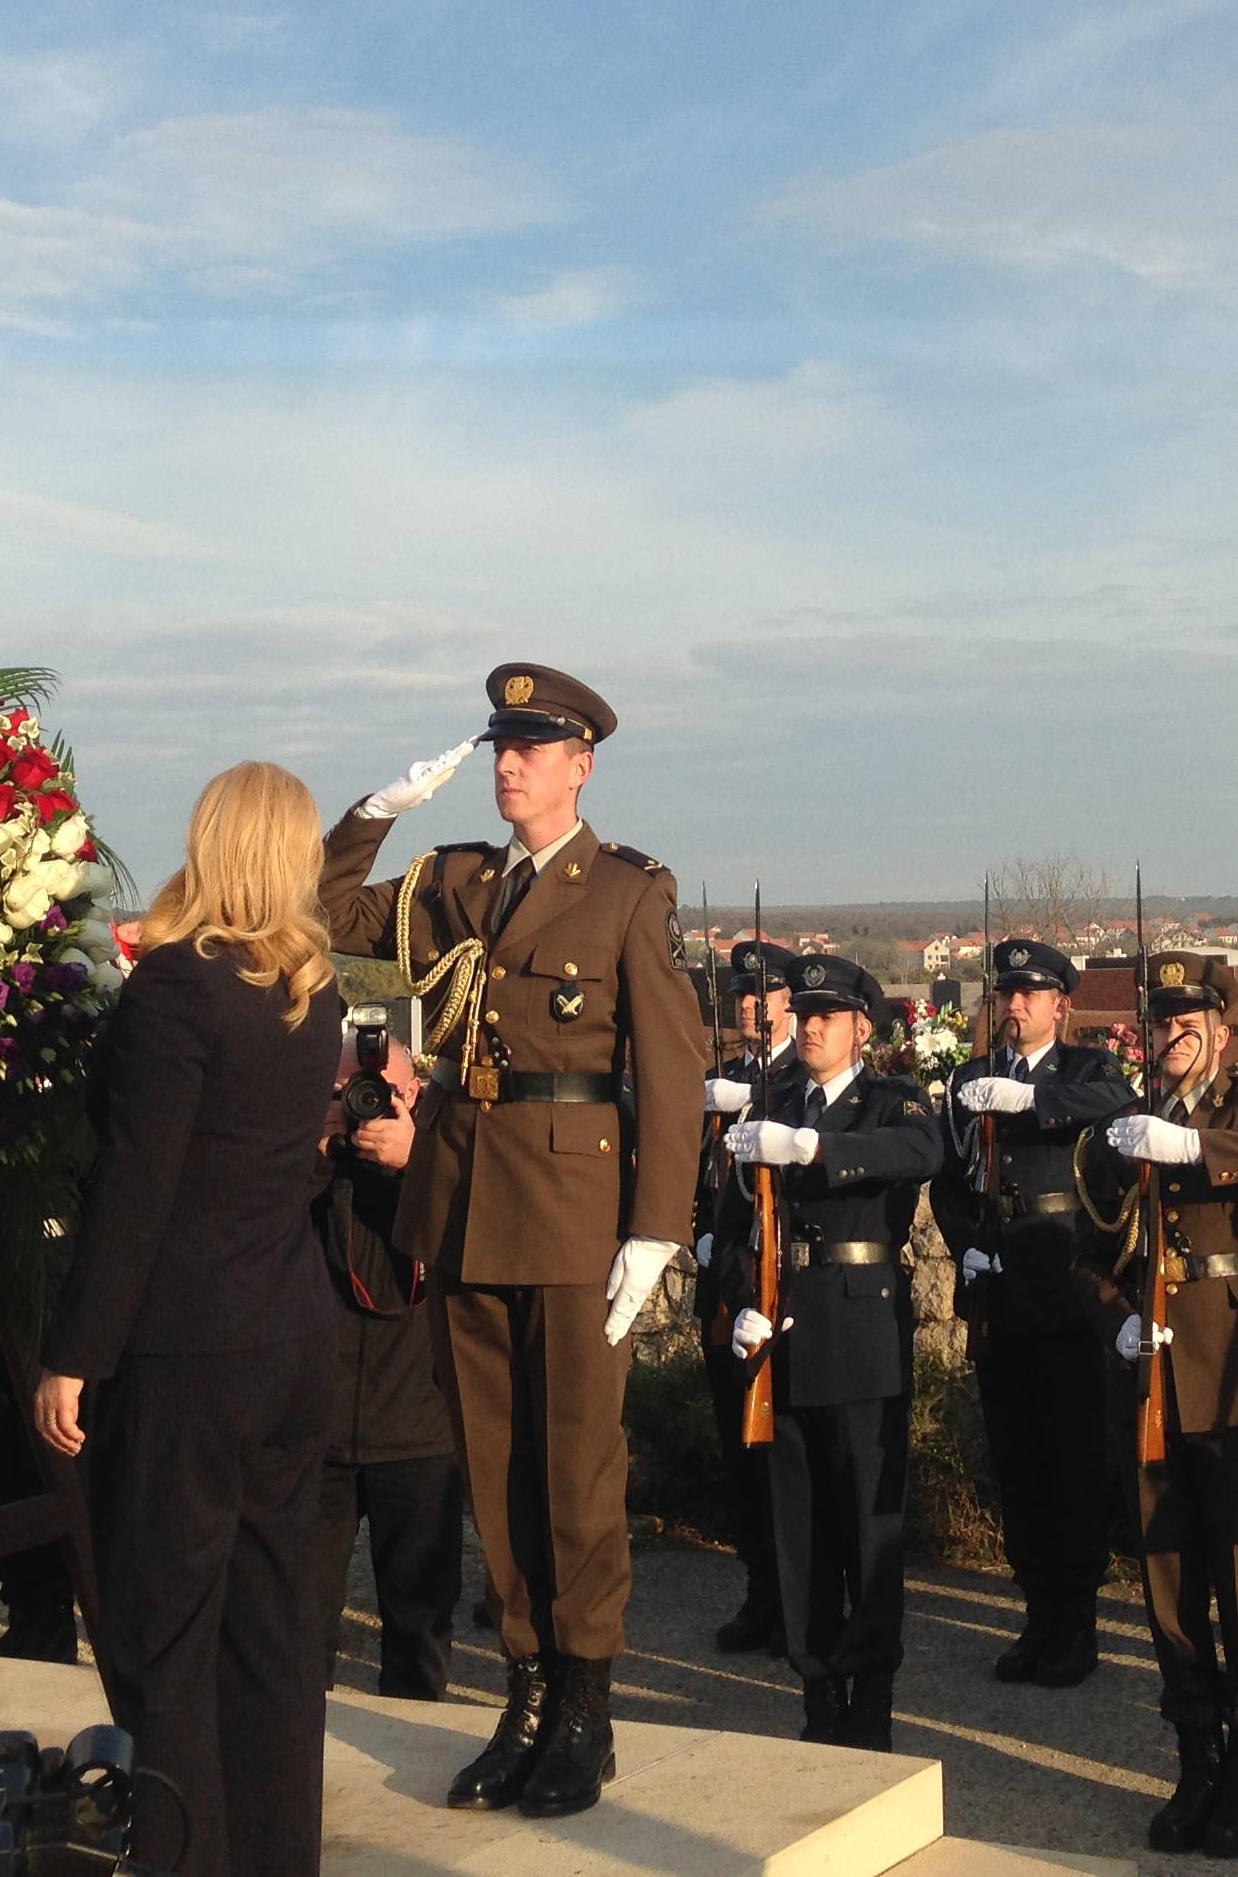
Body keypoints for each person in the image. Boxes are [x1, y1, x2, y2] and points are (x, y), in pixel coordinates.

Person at [319, 664, 707, 1819]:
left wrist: (655, 1230)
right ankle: (526, 1694)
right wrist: (374, 816)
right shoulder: (457, 880)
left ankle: (586, 1708)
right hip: (469, 1200)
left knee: (575, 1470)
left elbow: (673, 1075)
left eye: (532, 749)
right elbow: (326, 915)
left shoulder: (627, 891)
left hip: (577, 1213)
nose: (508, 764)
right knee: (493, 1465)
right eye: (501, 746)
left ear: (580, 766)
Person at [35, 762, 343, 1877]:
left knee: (161, 1644)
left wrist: (75, 1354)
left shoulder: (176, 988)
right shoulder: (311, 992)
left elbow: (136, 1189)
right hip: (292, 1339)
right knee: (271, 1638)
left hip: (188, 1351)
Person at [1074, 952, 1238, 1859]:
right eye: (1160, 1023)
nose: (1172, 1037)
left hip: (1232, 1366)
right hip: (1152, 1374)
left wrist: (1201, 1148)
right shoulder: (1126, 1123)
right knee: (1169, 1577)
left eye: (1188, 1022)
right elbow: (1088, 1247)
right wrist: (1112, 1319)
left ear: (1220, 1031)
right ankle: (1197, 1747)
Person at [721, 955, 944, 1753]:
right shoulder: (769, 1102)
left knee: (867, 1523)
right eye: (803, 1012)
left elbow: (921, 1154)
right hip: (781, 1334)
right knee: (800, 1526)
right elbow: (730, 1217)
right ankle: (816, 1685)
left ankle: (871, 1692)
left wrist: (813, 1149)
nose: (809, 1026)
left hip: (858, 1335)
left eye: (828, 1015)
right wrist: (741, 1294)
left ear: (861, 1029)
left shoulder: (892, 1100)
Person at [929, 937, 1133, 1686]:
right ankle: (1036, 1613)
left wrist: (1033, 1100)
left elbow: (1116, 1105)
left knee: (1072, 1461)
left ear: (1060, 1005)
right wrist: (966, 1247)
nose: (1014, 1007)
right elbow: (949, 1182)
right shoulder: (971, 1077)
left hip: (1064, 1289)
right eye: (1006, 994)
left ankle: (1076, 1625)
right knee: (1018, 1460)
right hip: (1002, 1290)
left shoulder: (1085, 1070)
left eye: (1030, 995)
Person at [311, 1021, 464, 1701]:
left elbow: (469, 1246)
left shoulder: (450, 1159)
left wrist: (418, 1161)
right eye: (348, 1090)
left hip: (419, 1426)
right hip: (318, 1428)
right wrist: (320, 1143)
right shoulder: (315, 1160)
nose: (366, 1104)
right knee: (299, 1617)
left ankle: (421, 1745)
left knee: (419, 1621)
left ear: (417, 1093)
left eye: (380, 1090)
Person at [694, 934, 800, 1655]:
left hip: (782, 1293)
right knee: (740, 1453)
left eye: (762, 995)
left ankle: (801, 1600)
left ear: (792, 1001)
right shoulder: (722, 1079)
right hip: (726, 1290)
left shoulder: (800, 1078)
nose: (750, 1007)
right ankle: (761, 1589)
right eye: (740, 997)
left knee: (786, 1456)